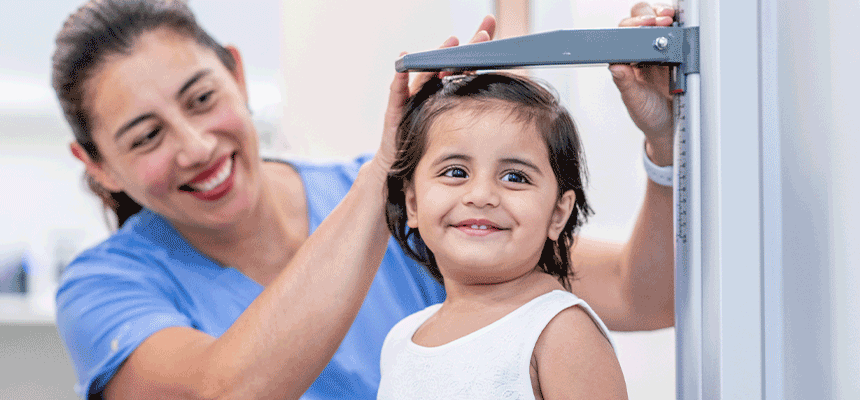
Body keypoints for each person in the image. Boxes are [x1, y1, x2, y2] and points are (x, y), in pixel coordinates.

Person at [51, 0, 676, 398]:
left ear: (238, 75)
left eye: (201, 99)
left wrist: (665, 142)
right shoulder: (105, 288)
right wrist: (390, 167)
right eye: (147, 136)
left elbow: (639, 292)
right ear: (98, 166)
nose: (195, 146)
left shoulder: (434, 210)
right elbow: (226, 392)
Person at [378, 72, 626, 399]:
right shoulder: (401, 339)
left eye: (514, 177)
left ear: (558, 213)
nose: (481, 195)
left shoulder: (561, 333)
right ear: (413, 203)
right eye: (455, 172)